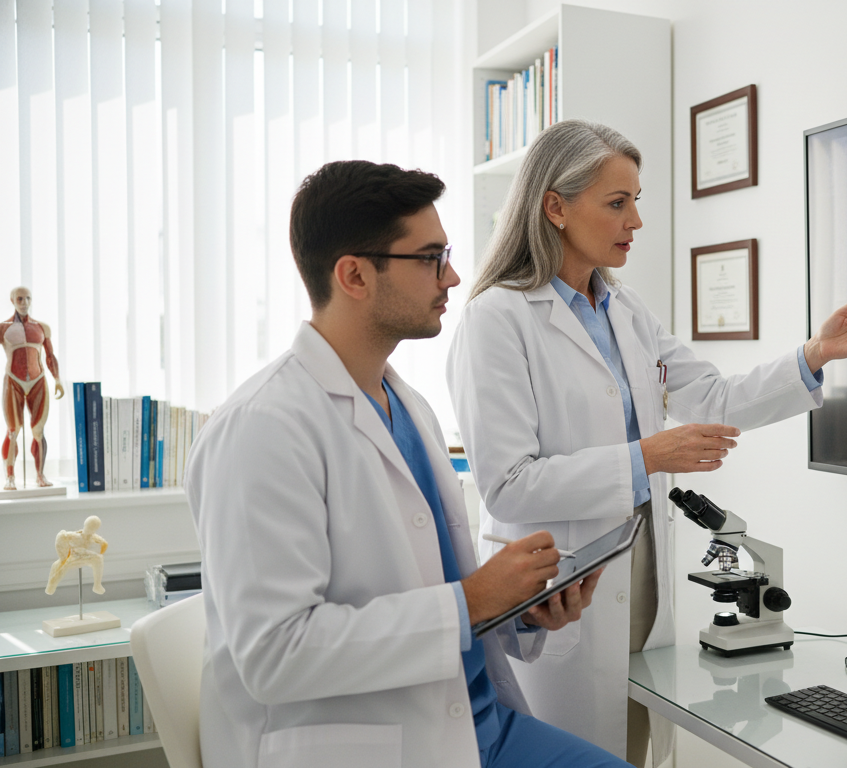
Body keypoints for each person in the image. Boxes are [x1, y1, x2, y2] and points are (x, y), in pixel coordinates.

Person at [447, 120, 847, 765]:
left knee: (635, 747)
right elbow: (509, 482)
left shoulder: (624, 310)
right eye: (616, 202)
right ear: (555, 206)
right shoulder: (497, 319)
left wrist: (815, 352)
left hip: (640, 571)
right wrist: (646, 457)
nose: (635, 219)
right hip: (559, 590)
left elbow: (713, 397)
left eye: (636, 200)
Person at [186, 160, 629, 768]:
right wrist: (471, 601)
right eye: (429, 258)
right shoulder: (261, 428)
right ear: (354, 275)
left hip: (480, 726)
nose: (451, 276)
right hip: (368, 747)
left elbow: (429, 588)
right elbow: (275, 656)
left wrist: (515, 610)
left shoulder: (409, 406)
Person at [1, 286, 63, 489]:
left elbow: (49, 355)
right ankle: (10, 476)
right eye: (20, 298)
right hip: (13, 380)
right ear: (12, 300)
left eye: (28, 298)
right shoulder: (4, 328)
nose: (24, 302)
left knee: (38, 430)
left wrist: (57, 379)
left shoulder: (41, 327)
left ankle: (40, 475)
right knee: (13, 430)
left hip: (38, 381)